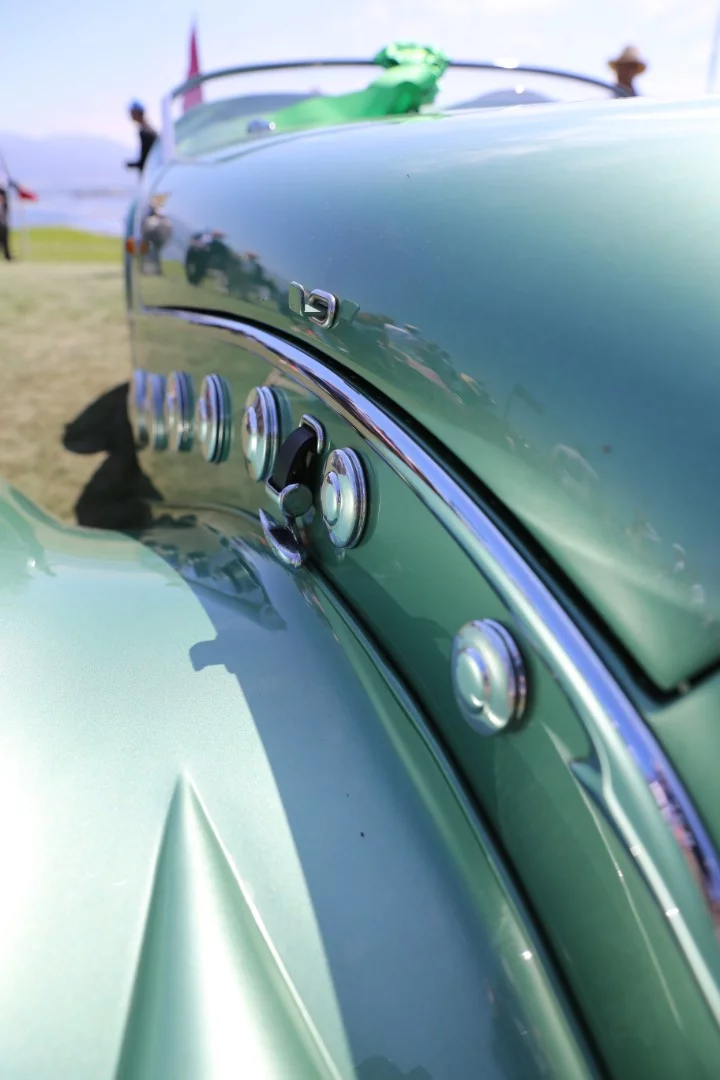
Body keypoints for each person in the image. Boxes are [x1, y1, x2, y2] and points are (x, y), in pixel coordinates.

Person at [126, 101, 158, 173]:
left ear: (138, 113)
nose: (130, 115)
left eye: (132, 112)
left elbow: (145, 159)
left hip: (150, 170)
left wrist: (133, 165)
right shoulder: (148, 129)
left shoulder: (145, 132)